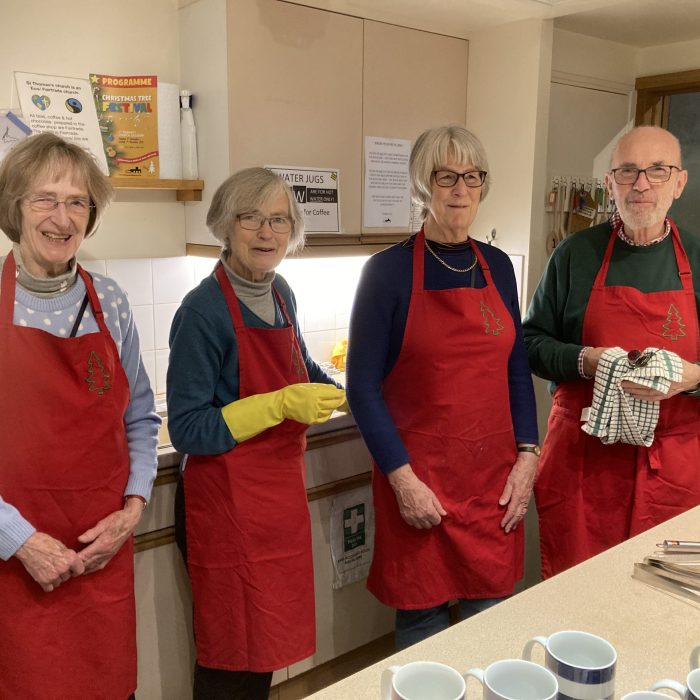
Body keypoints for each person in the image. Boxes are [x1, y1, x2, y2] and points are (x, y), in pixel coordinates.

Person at [346, 125, 539, 650]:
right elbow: (361, 388)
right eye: (446, 176)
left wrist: (528, 455)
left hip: (492, 483)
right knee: (423, 635)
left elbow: (516, 367)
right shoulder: (385, 273)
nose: (460, 190)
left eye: (472, 177)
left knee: (490, 628)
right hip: (420, 479)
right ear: (421, 184)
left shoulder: (498, 266)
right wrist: (402, 480)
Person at [166, 167, 346, 700]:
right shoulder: (202, 311)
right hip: (224, 505)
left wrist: (346, 392)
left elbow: (300, 365)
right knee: (229, 657)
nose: (267, 233)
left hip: (274, 497)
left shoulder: (282, 291)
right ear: (226, 225)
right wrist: (279, 404)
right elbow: (187, 428)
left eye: (279, 220)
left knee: (262, 649)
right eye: (251, 218)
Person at [0, 133, 159, 699]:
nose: (62, 218)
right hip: (14, 564)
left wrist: (132, 510)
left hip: (101, 559)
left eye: (77, 202)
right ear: (15, 206)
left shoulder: (110, 301)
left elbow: (141, 417)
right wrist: (20, 541)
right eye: (45, 199)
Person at [523, 125, 700, 579]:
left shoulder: (698, 259)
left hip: (673, 469)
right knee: (578, 593)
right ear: (609, 183)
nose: (641, 184)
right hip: (584, 466)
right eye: (627, 171)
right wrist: (586, 361)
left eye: (657, 170)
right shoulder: (574, 255)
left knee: (659, 600)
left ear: (679, 182)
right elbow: (531, 344)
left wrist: (693, 377)